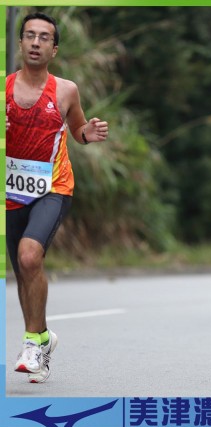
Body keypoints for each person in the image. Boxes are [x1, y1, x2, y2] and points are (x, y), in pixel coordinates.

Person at [6, 12, 109, 383]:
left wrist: (87, 133)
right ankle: (43, 338)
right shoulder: (4, 89)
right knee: (23, 272)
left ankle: (32, 343)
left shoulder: (66, 90)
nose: (36, 42)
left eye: (44, 37)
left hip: (53, 187)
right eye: (29, 35)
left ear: (54, 49)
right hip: (11, 192)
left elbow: (77, 129)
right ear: (20, 43)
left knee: (29, 255)